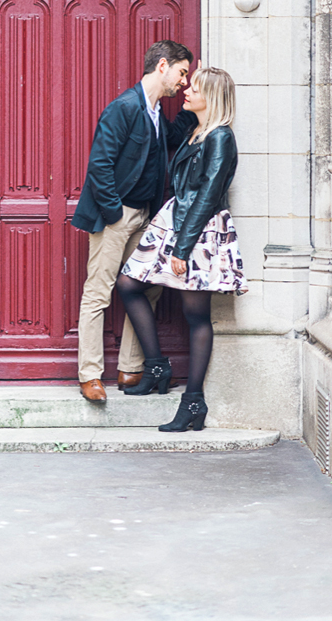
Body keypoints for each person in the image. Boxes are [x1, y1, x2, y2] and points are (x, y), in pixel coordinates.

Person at [117, 66, 247, 431]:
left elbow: (207, 197)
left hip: (199, 229)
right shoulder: (196, 131)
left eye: (195, 88)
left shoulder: (220, 138)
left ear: (213, 98)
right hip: (177, 219)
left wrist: (182, 248)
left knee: (196, 316)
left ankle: (193, 403)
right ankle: (157, 367)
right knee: (128, 285)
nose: (186, 91)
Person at [72, 40, 197, 402]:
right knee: (98, 292)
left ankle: (130, 367)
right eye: (182, 72)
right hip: (117, 216)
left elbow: (174, 137)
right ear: (162, 66)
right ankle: (90, 375)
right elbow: (100, 165)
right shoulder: (124, 107)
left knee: (145, 288)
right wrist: (115, 214)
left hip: (145, 215)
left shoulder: (155, 110)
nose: (183, 81)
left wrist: (197, 99)